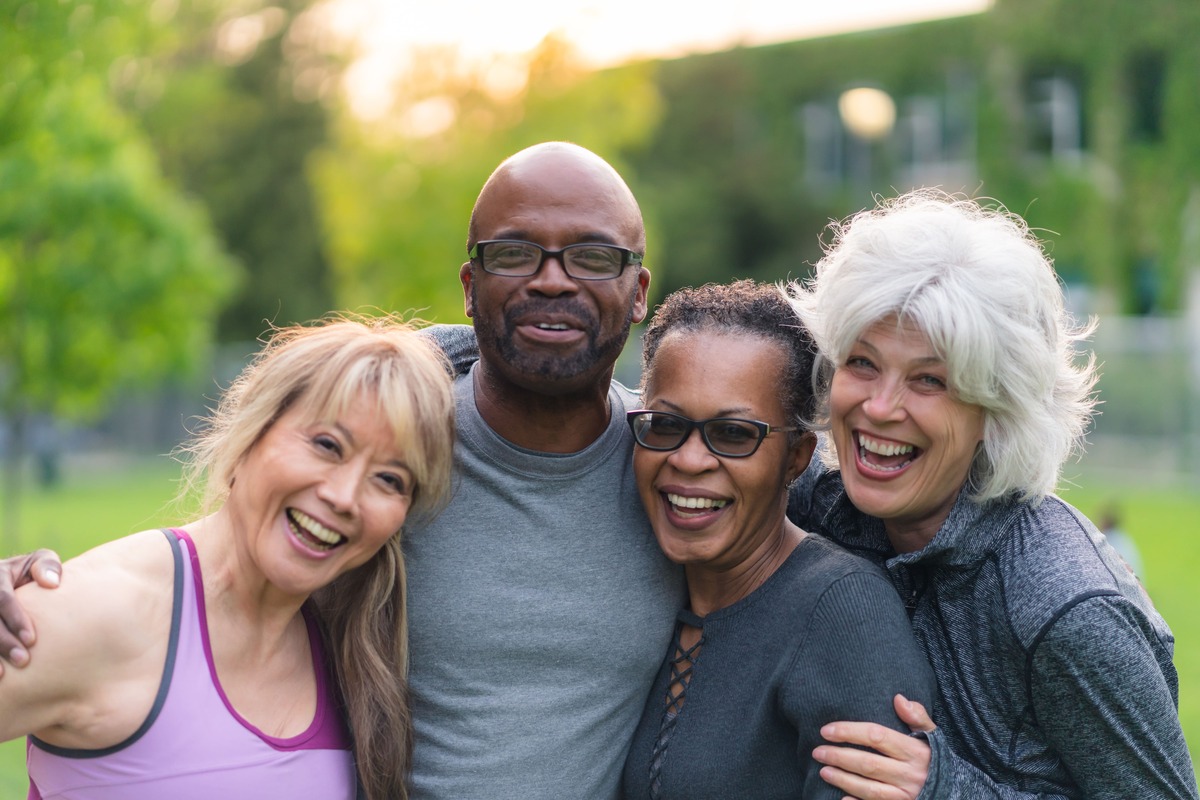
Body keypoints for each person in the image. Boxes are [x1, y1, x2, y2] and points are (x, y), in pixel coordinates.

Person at [0, 142, 682, 799]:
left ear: (639, 289)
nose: (552, 277)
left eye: (594, 257)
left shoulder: (684, 475)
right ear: (470, 288)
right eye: (515, 252)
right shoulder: (397, 426)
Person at [785, 190, 1199, 799]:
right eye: (863, 363)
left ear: (997, 410)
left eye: (930, 380)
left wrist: (948, 790)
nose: (878, 407)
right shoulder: (822, 502)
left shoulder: (1066, 610)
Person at [0, 315, 456, 800]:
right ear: (250, 433)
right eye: (327, 445)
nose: (345, 497)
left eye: (390, 479)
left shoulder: (351, 648)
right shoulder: (101, 610)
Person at [621, 280, 936, 798]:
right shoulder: (655, 588)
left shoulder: (842, 613)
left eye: (734, 434)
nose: (689, 459)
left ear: (796, 457)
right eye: (665, 424)